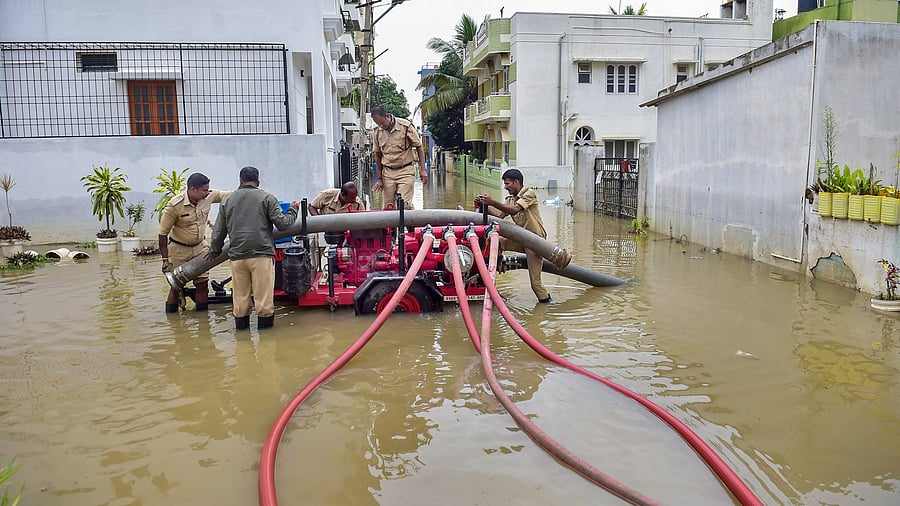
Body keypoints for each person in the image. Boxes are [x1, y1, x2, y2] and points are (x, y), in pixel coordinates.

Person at [206, 166, 299, 330]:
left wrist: (214, 251)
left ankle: (242, 340)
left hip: (237, 257)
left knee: (240, 300)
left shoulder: (227, 200)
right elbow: (283, 225)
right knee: (263, 302)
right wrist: (293, 210)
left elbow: (219, 231)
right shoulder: (267, 198)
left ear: (240, 181)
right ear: (258, 181)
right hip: (261, 256)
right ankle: (266, 343)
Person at [474, 169, 552, 303]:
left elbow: (515, 210)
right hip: (521, 240)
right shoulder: (510, 200)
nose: (505, 187)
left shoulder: (529, 194)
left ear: (516, 182)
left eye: (507, 184)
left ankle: (546, 305)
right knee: (495, 241)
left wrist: (492, 202)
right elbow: (499, 217)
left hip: (535, 243)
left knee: (535, 284)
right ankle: (495, 268)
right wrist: (483, 206)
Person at [158, 172, 230, 313]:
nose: (207, 192)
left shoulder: (208, 196)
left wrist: (248, 192)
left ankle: (203, 322)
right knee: (176, 285)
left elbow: (228, 195)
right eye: (204, 190)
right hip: (178, 249)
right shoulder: (174, 205)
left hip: (200, 248)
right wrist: (165, 260)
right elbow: (162, 234)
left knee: (202, 284)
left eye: (208, 189)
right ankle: (173, 322)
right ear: (192, 189)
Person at [371, 105, 428, 210]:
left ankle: (408, 222)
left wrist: (423, 169)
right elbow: (378, 156)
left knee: (404, 206)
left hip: (405, 171)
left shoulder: (405, 126)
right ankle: (391, 227)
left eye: (382, 123)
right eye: (378, 124)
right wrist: (379, 179)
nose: (381, 126)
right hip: (387, 172)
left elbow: (419, 147)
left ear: (387, 116)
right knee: (388, 207)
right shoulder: (377, 132)